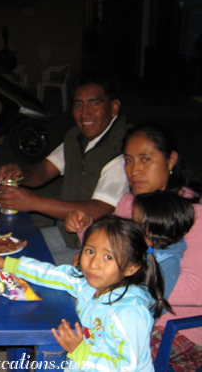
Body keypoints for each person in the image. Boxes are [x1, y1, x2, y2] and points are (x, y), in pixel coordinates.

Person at [65, 123, 202, 371]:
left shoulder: (192, 213)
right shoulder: (130, 202)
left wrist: (118, 275)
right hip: (120, 308)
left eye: (145, 159)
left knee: (93, 347)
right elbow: (116, 246)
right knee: (63, 311)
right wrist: (86, 232)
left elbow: (197, 289)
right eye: (128, 160)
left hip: (174, 328)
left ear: (170, 160)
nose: (134, 170)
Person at [0, 215, 171, 371]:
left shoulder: (129, 313)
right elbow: (55, 274)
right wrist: (8, 264)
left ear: (131, 268)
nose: (94, 263)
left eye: (108, 257)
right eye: (90, 251)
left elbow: (127, 367)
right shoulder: (90, 284)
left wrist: (80, 351)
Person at [0, 70, 131, 263]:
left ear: (114, 107)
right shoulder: (76, 137)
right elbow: (44, 170)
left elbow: (99, 210)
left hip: (104, 249)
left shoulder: (125, 147)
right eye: (78, 104)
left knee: (23, 271)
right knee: (7, 252)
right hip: (69, 235)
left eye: (94, 103)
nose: (85, 113)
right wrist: (19, 174)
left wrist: (34, 202)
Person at [132, 191, 194, 300]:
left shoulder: (167, 262)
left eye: (138, 224)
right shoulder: (134, 241)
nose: (131, 227)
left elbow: (155, 302)